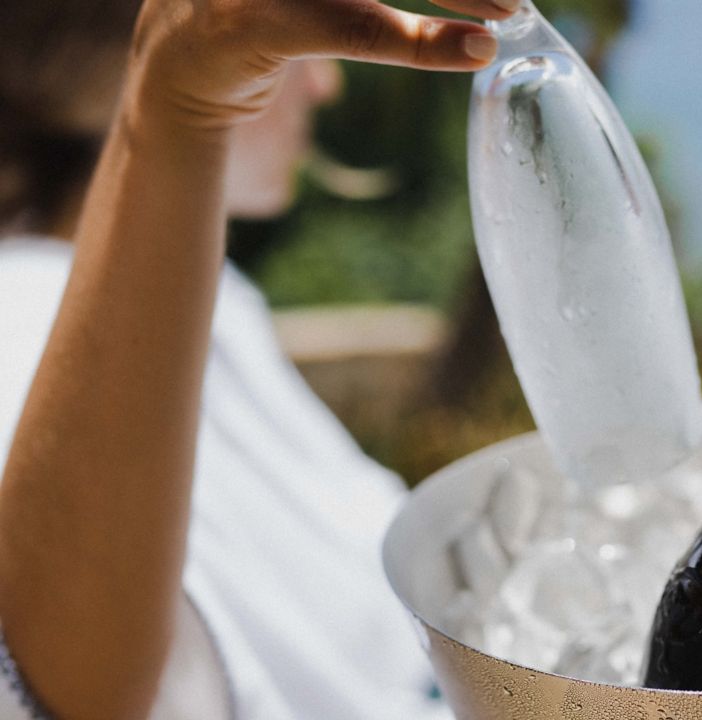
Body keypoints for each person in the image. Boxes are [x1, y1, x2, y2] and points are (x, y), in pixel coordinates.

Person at [0, 0, 517, 717]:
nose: (325, 86)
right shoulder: (25, 320)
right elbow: (69, 686)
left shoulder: (219, 302)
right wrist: (176, 113)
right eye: (301, 42)